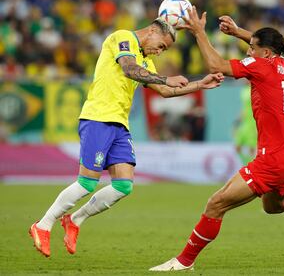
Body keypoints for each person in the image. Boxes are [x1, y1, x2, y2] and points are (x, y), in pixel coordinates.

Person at [149, 9, 284, 271]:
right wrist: (239, 32)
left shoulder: (260, 66)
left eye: (252, 48)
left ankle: (183, 261)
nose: (248, 52)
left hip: (271, 159)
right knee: (274, 206)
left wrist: (199, 32)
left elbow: (216, 66)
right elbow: (268, 46)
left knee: (216, 204)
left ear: (266, 53)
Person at [29, 17, 224, 258]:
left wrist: (199, 85)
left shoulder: (145, 59)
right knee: (87, 183)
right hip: (98, 117)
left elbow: (163, 90)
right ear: (152, 30)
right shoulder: (123, 37)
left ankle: (75, 219)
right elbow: (129, 69)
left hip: (120, 123)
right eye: (161, 46)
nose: (159, 52)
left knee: (123, 185)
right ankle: (43, 224)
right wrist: (165, 78)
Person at [233, 83, 257, 165]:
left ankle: (251, 168)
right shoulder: (244, 91)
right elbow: (244, 108)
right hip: (244, 124)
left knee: (252, 148)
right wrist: (236, 123)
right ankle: (247, 164)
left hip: (253, 123)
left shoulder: (258, 90)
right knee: (237, 147)